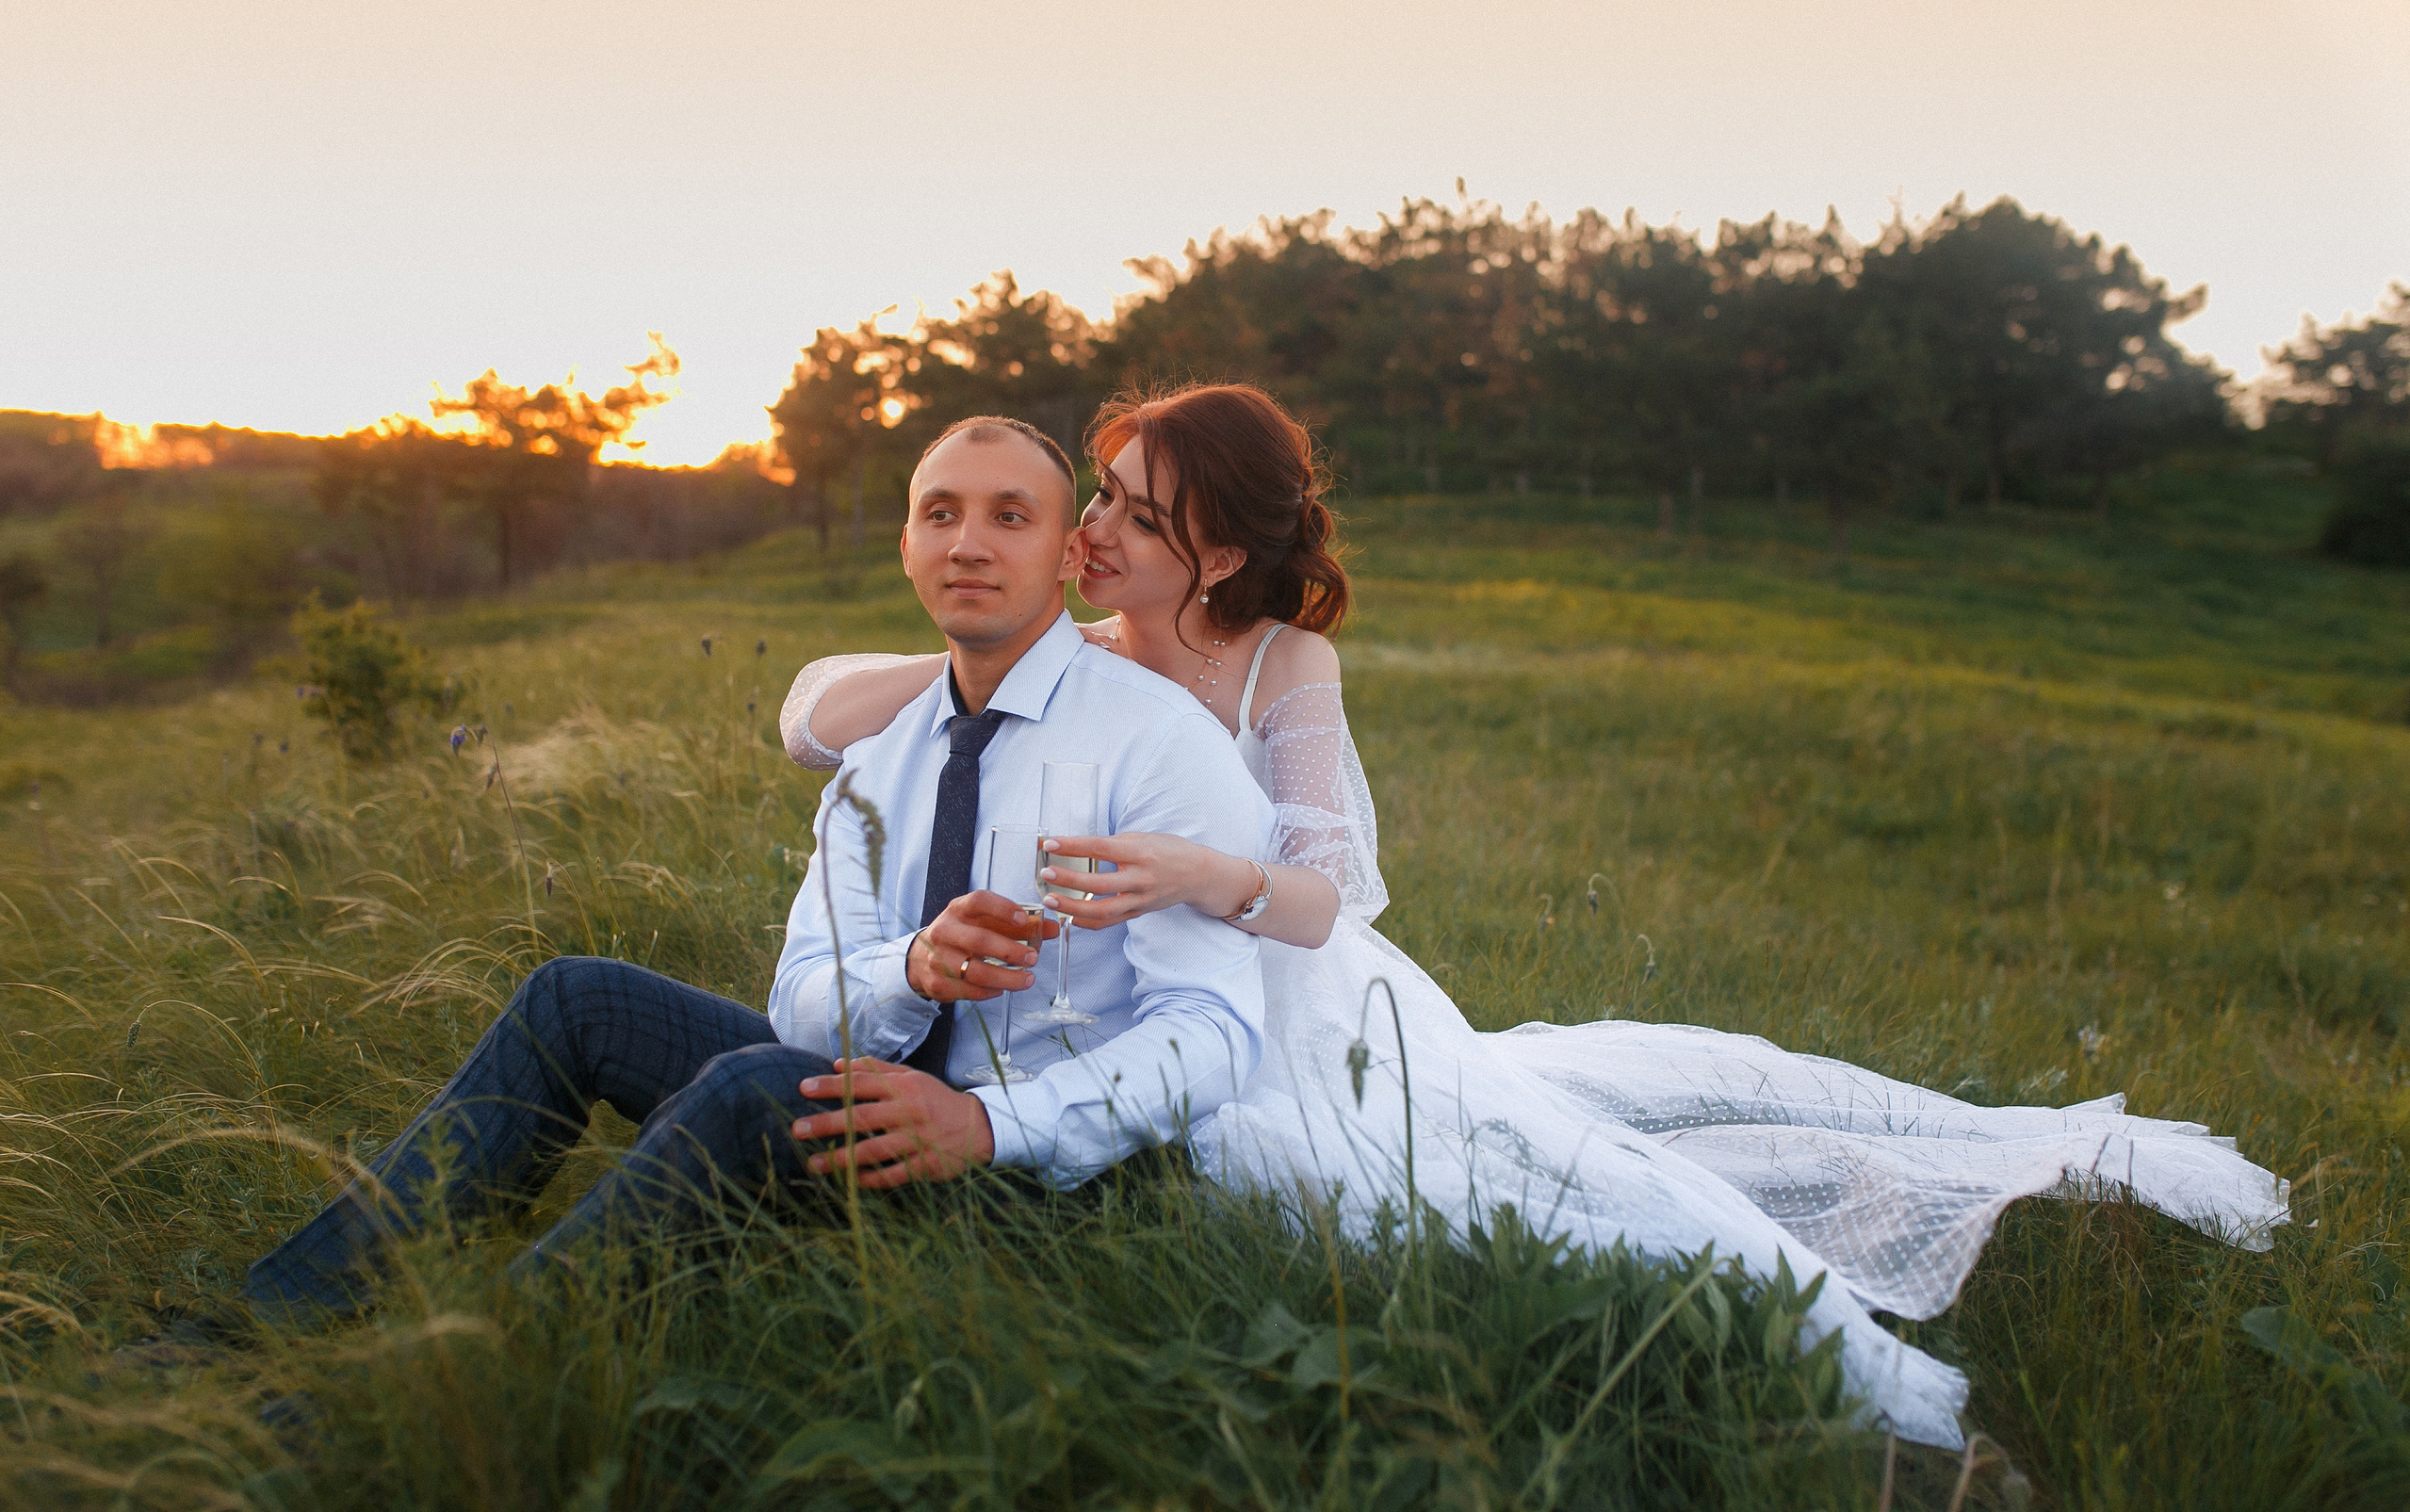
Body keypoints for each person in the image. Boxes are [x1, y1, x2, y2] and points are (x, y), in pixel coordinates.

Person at [780, 383, 2294, 1451]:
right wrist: (982, 647)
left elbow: (1330, 895)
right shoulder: (1079, 647)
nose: (1094, 525)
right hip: (1129, 1007)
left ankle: (1878, 1401)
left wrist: (1195, 872)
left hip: (1306, 1006)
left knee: (1541, 1196)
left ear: (1222, 553)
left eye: (1133, 510)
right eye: (1097, 493)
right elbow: (806, 716)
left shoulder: (1276, 666)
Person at [236, 415, 1269, 1324]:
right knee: (578, 998)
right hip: (890, 1110)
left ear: (1064, 554)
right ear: (906, 548)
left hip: (1044, 1175)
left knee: (752, 1088)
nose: (967, 543)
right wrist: (909, 969)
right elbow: (802, 1007)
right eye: (939, 513)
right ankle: (280, 1315)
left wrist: (991, 1122)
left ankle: (461, 1368)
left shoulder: (1157, 743)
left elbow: (1216, 1034)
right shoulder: (879, 760)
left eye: (1010, 516)